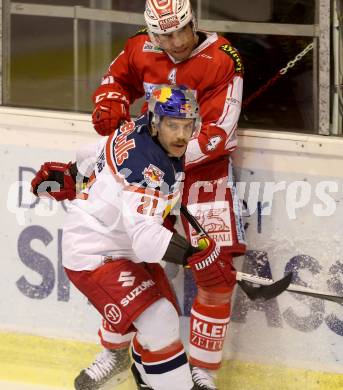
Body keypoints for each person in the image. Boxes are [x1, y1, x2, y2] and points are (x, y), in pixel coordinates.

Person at [32, 0, 246, 388]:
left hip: (200, 174)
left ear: (193, 21)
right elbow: (115, 81)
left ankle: (202, 372)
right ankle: (117, 353)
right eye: (165, 35)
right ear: (150, 33)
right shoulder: (138, 48)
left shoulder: (222, 58)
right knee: (133, 268)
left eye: (182, 30)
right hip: (152, 171)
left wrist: (164, 154)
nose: (177, 42)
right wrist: (110, 99)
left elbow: (216, 135)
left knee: (217, 279)